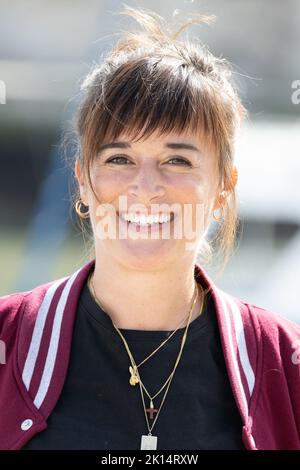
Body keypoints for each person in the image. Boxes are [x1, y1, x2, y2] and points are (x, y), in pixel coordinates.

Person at [0, 5, 299, 451]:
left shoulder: (285, 361)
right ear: (83, 179)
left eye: (177, 160)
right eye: (119, 158)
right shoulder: (9, 339)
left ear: (223, 187)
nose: (146, 188)